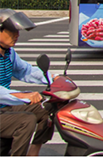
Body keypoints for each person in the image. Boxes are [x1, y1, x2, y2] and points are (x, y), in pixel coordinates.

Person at [0, 9, 55, 156]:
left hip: (4, 107)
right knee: (27, 120)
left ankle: (33, 153)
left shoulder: (8, 53)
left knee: (47, 108)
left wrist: (53, 78)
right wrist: (22, 95)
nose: (17, 35)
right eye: (12, 31)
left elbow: (25, 70)